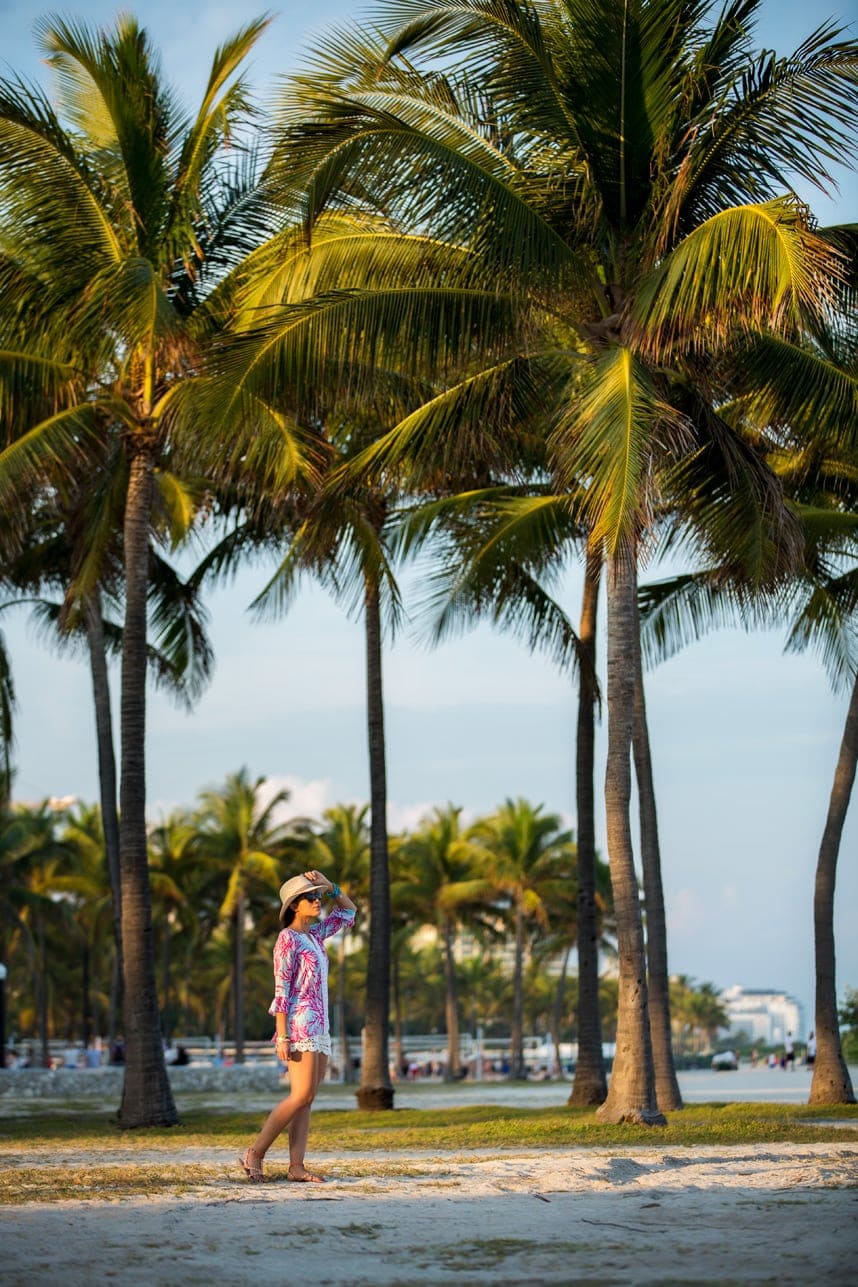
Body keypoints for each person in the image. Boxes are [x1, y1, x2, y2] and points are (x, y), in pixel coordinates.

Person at [239, 869, 355, 1184]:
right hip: (299, 1024)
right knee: (300, 1094)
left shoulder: (315, 935)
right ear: (294, 905)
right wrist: (283, 1035)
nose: (317, 901)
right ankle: (256, 1153)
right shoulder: (287, 939)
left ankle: (296, 1167)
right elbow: (281, 989)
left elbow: (347, 912)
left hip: (321, 1024)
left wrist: (331, 886)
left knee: (307, 1098)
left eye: (317, 895)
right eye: (310, 897)